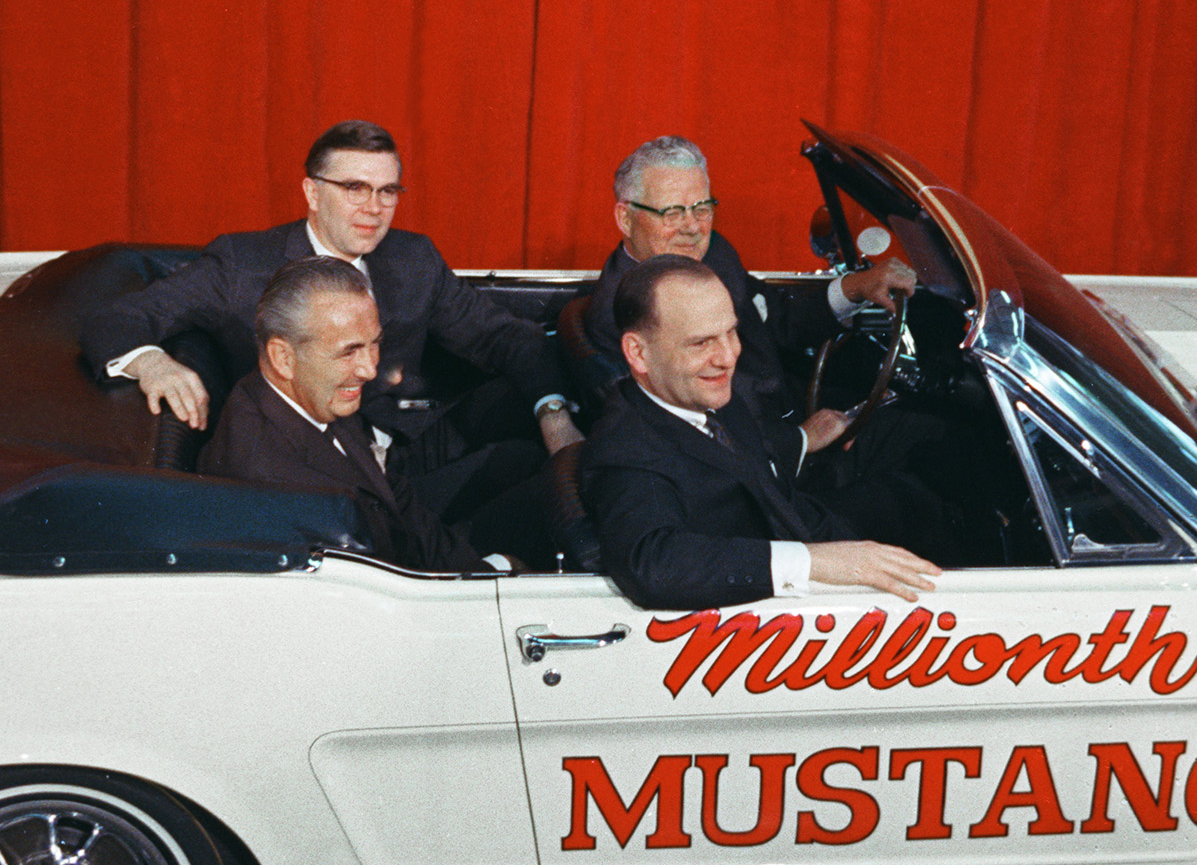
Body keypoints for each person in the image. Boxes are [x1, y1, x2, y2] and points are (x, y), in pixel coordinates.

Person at [82, 120, 581, 520]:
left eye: (388, 191)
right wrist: (153, 364)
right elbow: (119, 318)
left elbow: (504, 337)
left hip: (405, 442)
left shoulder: (412, 259)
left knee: (544, 458)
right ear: (312, 192)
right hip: (315, 475)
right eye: (354, 188)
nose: (374, 208)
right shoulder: (242, 264)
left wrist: (554, 413)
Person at [580, 255, 943, 612]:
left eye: (731, 332)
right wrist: (816, 562)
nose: (727, 357)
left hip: (794, 533)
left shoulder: (708, 397)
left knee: (916, 498)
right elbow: (654, 565)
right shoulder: (625, 449)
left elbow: (772, 490)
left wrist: (852, 549)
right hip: (763, 618)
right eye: (701, 343)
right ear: (638, 353)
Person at [199, 258, 504, 573]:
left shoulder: (309, 392)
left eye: (375, 345)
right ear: (283, 357)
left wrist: (476, 567)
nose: (369, 370)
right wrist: (488, 577)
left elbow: (390, 493)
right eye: (349, 351)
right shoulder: (280, 485)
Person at [581, 136, 913, 424]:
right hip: (762, 457)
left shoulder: (714, 253)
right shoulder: (618, 312)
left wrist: (856, 287)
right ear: (626, 218)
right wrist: (800, 441)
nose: (693, 227)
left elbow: (776, 317)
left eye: (702, 208)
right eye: (672, 213)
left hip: (789, 408)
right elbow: (685, 433)